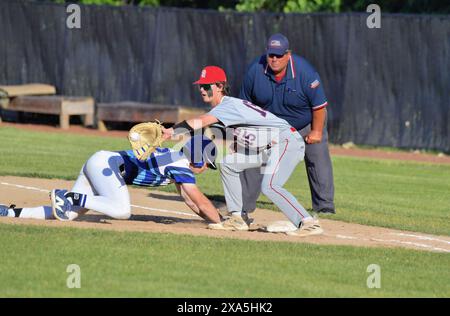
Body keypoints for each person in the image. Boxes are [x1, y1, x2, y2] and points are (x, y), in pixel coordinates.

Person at [162, 65, 323, 237]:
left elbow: (200, 121)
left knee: (270, 186)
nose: (202, 89)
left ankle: (308, 223)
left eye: (207, 85)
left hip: (286, 141)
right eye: (200, 85)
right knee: (228, 164)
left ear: (219, 86)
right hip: (268, 147)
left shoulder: (227, 106)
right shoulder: (225, 108)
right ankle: (237, 218)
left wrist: (172, 131)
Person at [0, 135, 222, 225]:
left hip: (101, 162)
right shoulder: (181, 165)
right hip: (107, 166)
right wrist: (223, 223)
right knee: (122, 210)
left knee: (67, 214)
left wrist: (213, 220)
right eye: (207, 165)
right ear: (201, 160)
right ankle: (67, 195)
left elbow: (191, 202)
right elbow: (200, 200)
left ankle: (9, 213)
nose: (205, 169)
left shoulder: (175, 160)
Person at [239, 33, 335, 215]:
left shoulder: (305, 72)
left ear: (288, 55)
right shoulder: (254, 70)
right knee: (252, 157)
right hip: (269, 126)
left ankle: (325, 207)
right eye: (271, 55)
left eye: (279, 55)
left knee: (317, 158)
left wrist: (316, 131)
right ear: (266, 53)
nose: (274, 59)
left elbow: (319, 106)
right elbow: (245, 105)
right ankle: (243, 207)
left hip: (304, 123)